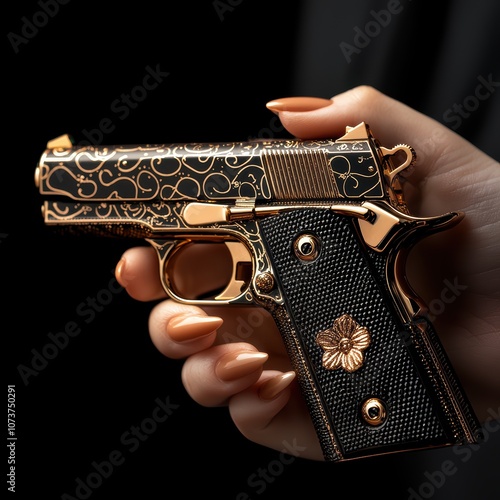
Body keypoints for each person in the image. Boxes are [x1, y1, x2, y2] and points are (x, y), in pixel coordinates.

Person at [114, 86, 499, 461]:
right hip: (325, 197)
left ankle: (386, 417)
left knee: (386, 411)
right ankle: (382, 416)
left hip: (318, 211)